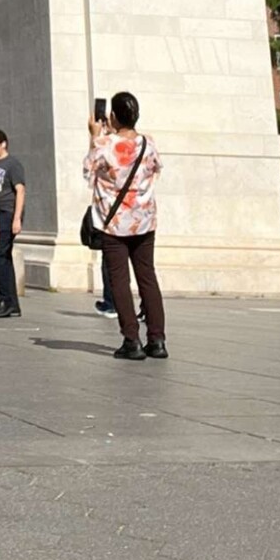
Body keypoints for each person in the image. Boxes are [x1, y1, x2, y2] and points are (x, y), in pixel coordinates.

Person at [84, 91, 166, 361]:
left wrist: (94, 136)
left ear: (113, 117)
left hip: (115, 223)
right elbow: (156, 170)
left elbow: (88, 172)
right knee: (147, 277)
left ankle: (132, 339)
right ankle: (157, 339)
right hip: (144, 219)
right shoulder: (148, 143)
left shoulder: (104, 144)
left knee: (119, 279)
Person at [0, 129, 25, 318]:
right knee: (1, 258)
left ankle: (5, 300)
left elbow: (20, 191)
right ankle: (12, 304)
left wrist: (17, 218)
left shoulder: (13, 164)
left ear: (3, 144)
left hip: (6, 214)